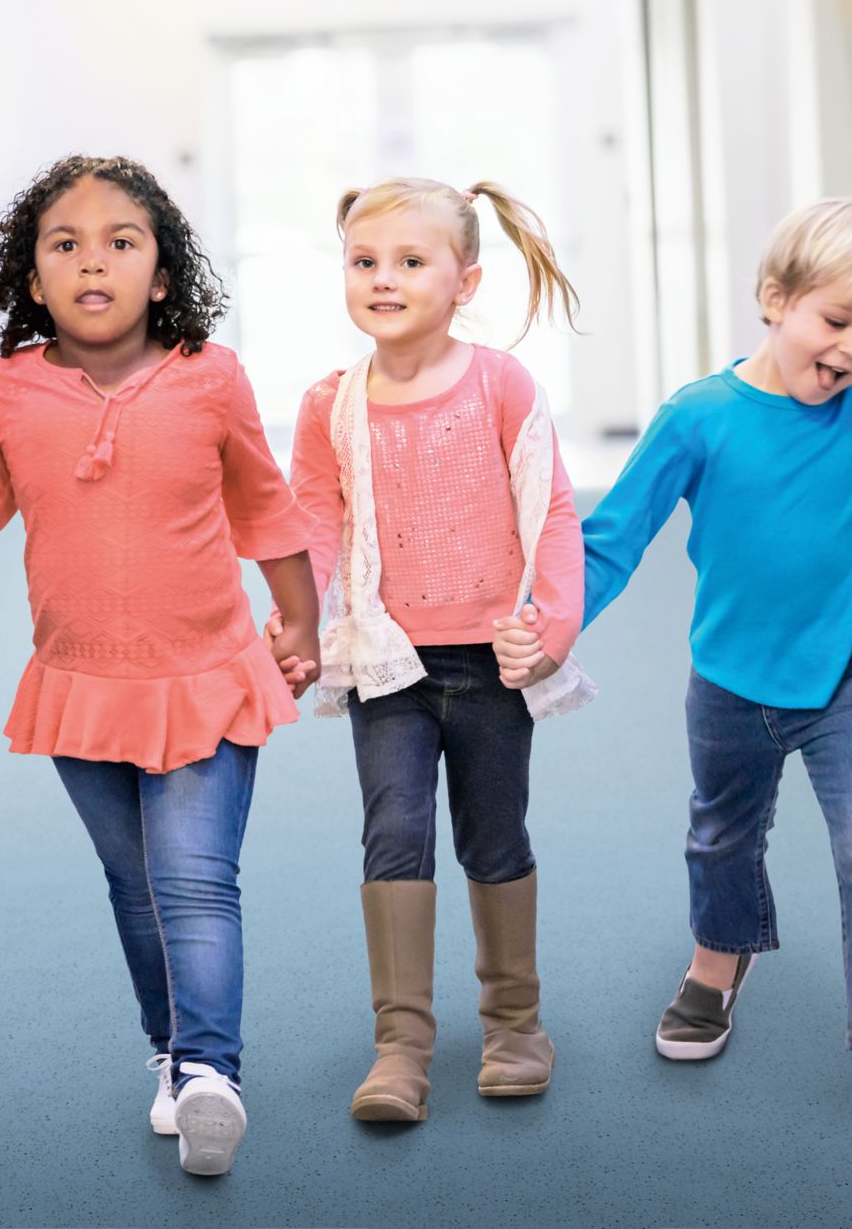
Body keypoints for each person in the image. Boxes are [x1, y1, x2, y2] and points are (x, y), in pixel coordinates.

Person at [500, 198, 852, 1125]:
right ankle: (714, 968)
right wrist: (551, 627)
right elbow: (611, 540)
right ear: (775, 298)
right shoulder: (700, 416)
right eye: (837, 319)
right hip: (730, 675)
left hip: (850, 669)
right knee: (722, 835)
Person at [0, 156, 319, 1178]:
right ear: (31, 280)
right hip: (81, 685)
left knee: (195, 881)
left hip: (207, 674)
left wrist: (300, 617)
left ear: (161, 276)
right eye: (65, 244)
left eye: (121, 243)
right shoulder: (12, 387)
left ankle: (211, 1073)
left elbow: (264, 504)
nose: (93, 261)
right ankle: (169, 1048)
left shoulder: (211, 375)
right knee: (135, 885)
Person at [287, 177, 590, 1124]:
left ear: (465, 281)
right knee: (393, 835)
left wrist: (552, 627)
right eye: (364, 261)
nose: (383, 278)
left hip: (492, 664)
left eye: (410, 261)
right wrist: (295, 621)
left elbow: (552, 510)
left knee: (494, 836)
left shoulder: (502, 384)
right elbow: (311, 524)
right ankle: (401, 1045)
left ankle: (515, 1023)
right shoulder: (330, 404)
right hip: (387, 666)